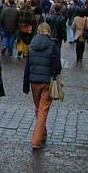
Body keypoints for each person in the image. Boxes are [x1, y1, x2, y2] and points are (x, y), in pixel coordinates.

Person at [23, 22, 62, 150]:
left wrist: (25, 84)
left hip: (34, 81)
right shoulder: (52, 45)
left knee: (38, 108)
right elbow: (57, 66)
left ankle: (42, 133)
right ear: (49, 32)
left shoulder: (32, 45)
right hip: (47, 82)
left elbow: (28, 65)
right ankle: (36, 140)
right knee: (43, 110)